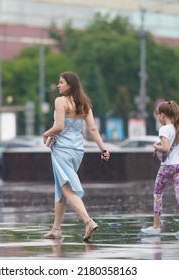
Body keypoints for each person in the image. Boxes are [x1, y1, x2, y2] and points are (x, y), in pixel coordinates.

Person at [42, 71, 110, 242]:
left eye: (61, 82)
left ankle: (88, 221)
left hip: (62, 150)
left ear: (70, 85)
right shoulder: (84, 103)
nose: (58, 85)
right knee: (61, 188)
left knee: (67, 188)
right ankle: (56, 229)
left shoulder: (60, 101)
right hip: (77, 151)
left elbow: (58, 126)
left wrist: (45, 134)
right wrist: (104, 149)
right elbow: (93, 130)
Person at [141, 100, 179, 237]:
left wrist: (156, 146)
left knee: (158, 194)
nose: (158, 118)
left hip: (167, 167)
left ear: (163, 115)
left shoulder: (164, 129)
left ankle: (156, 226)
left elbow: (165, 148)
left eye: (158, 115)